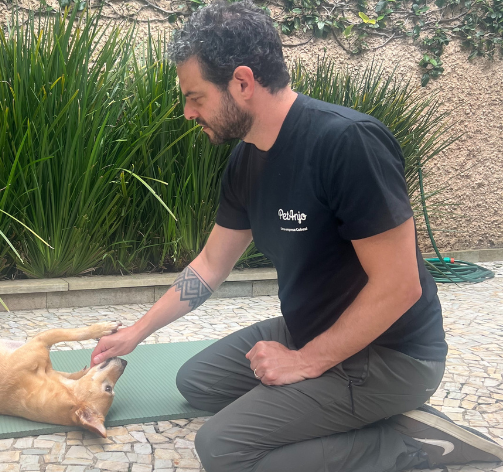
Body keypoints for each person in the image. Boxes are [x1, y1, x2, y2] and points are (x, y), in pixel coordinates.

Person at [89, 1, 503, 470]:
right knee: (197, 383)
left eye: (195, 96)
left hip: (392, 355)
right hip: (313, 324)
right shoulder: (246, 161)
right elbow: (210, 266)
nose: (187, 112)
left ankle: (406, 444)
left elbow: (400, 285)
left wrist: (304, 362)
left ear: (242, 83)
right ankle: (340, 409)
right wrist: (136, 334)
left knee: (223, 448)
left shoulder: (348, 143)